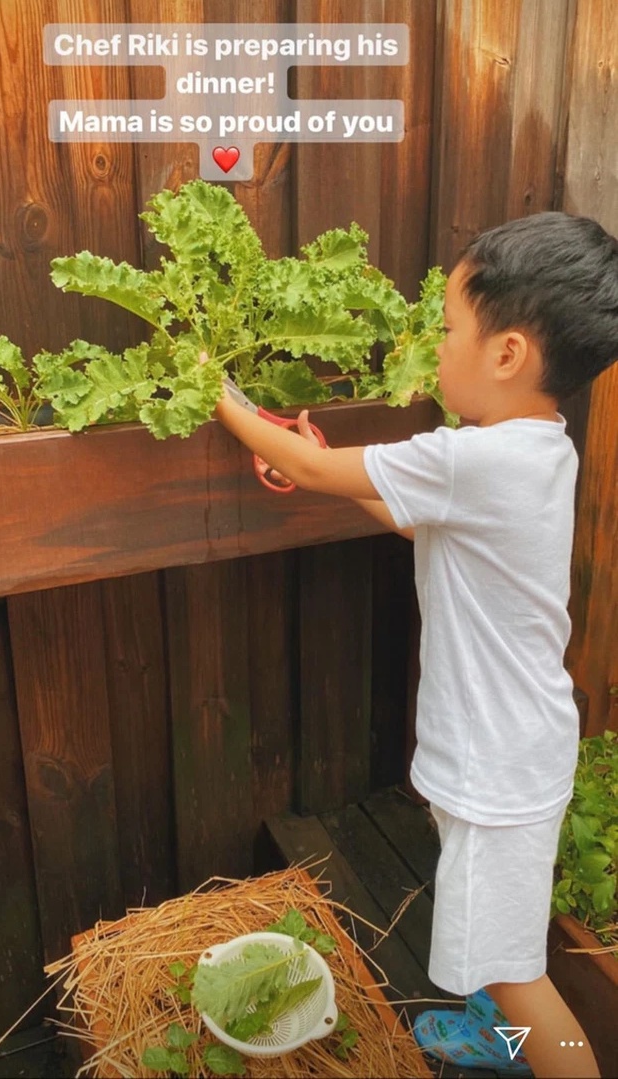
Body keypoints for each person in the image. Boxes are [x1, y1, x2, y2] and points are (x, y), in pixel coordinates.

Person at [201, 211, 617, 1078]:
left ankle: (562, 1060)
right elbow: (405, 510)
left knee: (516, 973)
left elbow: (322, 475)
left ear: (505, 353)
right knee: (490, 941)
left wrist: (220, 396)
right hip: (505, 751)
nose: (436, 344)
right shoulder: (534, 449)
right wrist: (316, 449)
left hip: (498, 769)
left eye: (448, 328)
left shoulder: (479, 462)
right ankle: (498, 1040)